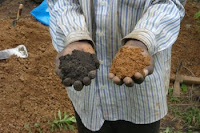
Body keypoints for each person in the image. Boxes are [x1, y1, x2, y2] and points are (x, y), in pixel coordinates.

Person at [47, 0, 186, 133]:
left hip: (140, 96)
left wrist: (144, 38)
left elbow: (171, 2)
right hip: (90, 96)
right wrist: (75, 35)